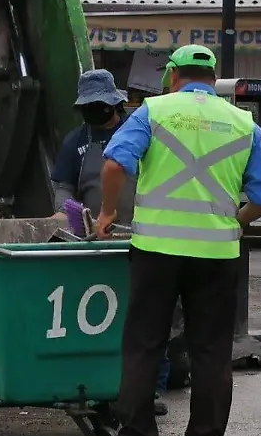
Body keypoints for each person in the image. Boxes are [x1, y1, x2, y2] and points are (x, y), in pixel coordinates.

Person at [94, 44, 261, 436]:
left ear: (174, 75)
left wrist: (107, 213)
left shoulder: (153, 111)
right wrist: (235, 223)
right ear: (212, 76)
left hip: (156, 252)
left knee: (144, 348)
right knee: (213, 357)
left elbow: (113, 165)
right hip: (217, 257)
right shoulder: (243, 123)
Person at [49, 69, 172, 416]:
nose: (94, 112)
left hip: (143, 237)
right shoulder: (76, 142)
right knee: (96, 317)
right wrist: (66, 214)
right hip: (92, 241)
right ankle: (93, 383)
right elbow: (63, 187)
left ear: (115, 103)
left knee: (149, 316)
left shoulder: (140, 132)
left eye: (100, 105)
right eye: (88, 107)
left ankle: (151, 389)